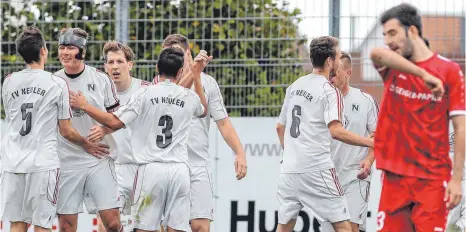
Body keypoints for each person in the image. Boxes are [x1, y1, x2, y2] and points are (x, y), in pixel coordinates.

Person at [69, 47, 211, 232]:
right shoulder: (189, 96)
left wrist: (85, 106)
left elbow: (115, 121)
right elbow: (204, 110)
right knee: (175, 228)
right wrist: (196, 75)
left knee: (144, 228)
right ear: (180, 72)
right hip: (180, 171)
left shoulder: (145, 93)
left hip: (150, 171)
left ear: (157, 67)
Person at [0, 26, 109, 232]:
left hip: (12, 162)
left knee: (17, 223)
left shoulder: (9, 82)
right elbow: (66, 130)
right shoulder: (56, 84)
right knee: (42, 225)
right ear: (44, 50)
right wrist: (87, 145)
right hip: (43, 164)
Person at [370, 3, 465, 231]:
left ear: (412, 31)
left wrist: (456, 179)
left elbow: (461, 128)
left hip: (432, 179)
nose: (387, 41)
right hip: (395, 177)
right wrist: (423, 74)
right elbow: (376, 54)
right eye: (384, 35)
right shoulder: (394, 65)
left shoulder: (449, 70)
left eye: (392, 33)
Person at [275, 36, 374, 232]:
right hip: (317, 170)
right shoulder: (329, 91)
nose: (339, 60)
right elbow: (336, 131)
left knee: (284, 227)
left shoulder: (294, 86)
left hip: (289, 171)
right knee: (345, 228)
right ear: (330, 61)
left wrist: (293, 154)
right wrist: (371, 143)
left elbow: (280, 128)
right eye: (338, 56)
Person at [160, 34, 247, 232]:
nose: (174, 60)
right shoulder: (162, 82)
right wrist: (194, 73)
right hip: (169, 165)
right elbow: (174, 96)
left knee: (201, 227)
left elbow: (223, 123)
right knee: (173, 229)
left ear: (188, 53)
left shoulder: (208, 82)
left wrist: (239, 152)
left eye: (179, 55)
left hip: (198, 164)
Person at [54, 27, 123, 232]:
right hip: (67, 160)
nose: (65, 53)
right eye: (62, 47)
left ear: (82, 51)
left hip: (98, 159)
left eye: (70, 48)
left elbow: (118, 120)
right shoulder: (54, 82)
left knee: (112, 223)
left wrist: (104, 130)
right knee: (67, 227)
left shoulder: (101, 79)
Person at [320, 51, 379, 232]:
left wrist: (368, 161)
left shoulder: (365, 101)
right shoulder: (322, 101)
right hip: (329, 179)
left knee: (350, 228)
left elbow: (377, 137)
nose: (332, 77)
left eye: (336, 72)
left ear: (348, 73)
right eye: (330, 72)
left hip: (356, 176)